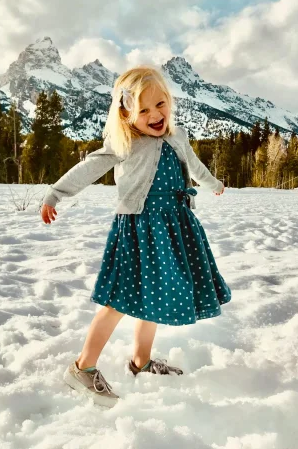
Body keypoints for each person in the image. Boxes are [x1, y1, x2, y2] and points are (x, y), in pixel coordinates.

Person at [40, 65, 231, 407]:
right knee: (120, 299)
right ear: (126, 114)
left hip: (174, 225)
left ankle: (141, 361)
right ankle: (82, 367)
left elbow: (195, 165)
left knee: (154, 295)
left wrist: (213, 183)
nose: (156, 115)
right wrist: (55, 193)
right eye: (143, 110)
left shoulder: (178, 136)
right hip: (139, 229)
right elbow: (89, 168)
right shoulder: (125, 142)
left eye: (160, 104)